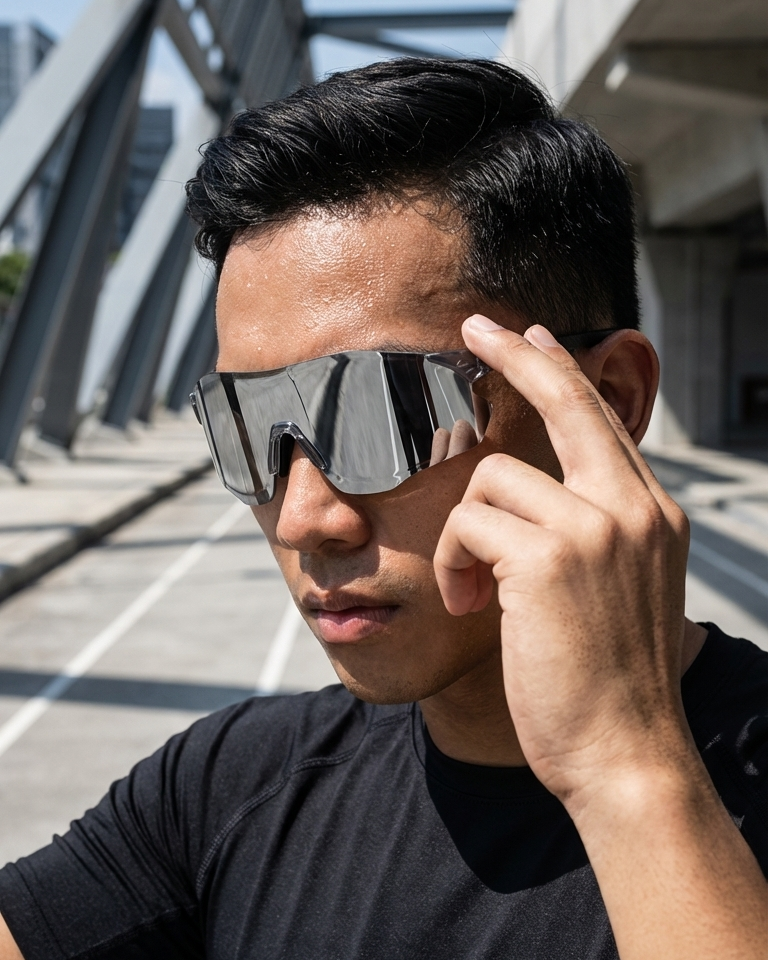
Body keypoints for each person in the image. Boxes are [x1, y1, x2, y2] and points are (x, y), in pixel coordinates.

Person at [0, 58, 765, 960]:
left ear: (613, 399)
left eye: (385, 413)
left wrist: (626, 767)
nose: (304, 518)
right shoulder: (224, 789)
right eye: (244, 424)